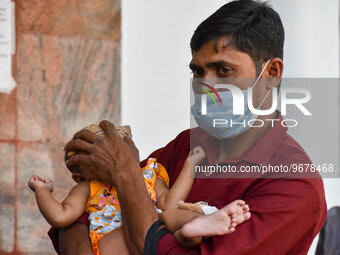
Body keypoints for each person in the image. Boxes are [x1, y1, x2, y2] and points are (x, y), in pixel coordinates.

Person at [51, 0, 327, 254]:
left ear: (271, 73)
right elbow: (82, 214)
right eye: (198, 71)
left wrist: (124, 172)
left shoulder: (294, 186)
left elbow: (127, 188)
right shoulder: (188, 145)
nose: (206, 88)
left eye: (223, 70)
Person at [28, 125, 250, 255]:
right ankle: (192, 229)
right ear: (80, 175)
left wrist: (189, 167)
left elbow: (168, 203)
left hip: (152, 230)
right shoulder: (89, 188)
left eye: (118, 145)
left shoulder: (149, 174)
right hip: (110, 243)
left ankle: (193, 230)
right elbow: (61, 217)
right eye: (98, 153)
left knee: (169, 216)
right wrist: (42, 191)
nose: (114, 153)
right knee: (156, 224)